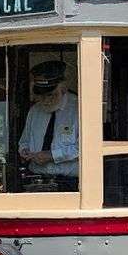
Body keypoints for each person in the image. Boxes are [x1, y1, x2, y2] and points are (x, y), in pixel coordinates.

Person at [18, 60, 79, 189]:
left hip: (69, 184)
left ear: (63, 88)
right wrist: (24, 151)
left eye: (50, 94)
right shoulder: (35, 111)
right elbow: (24, 141)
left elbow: (85, 149)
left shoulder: (78, 109)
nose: (45, 100)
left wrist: (52, 156)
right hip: (36, 181)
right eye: (41, 95)